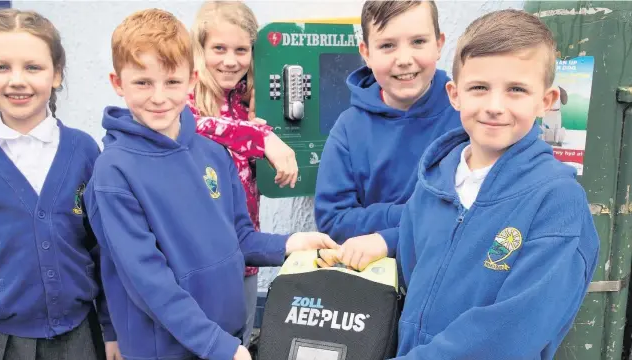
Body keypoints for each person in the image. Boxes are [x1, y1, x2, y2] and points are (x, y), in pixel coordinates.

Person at [320, 9, 599, 359]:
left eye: (516, 90)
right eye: (479, 88)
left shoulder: (557, 202)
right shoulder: (434, 182)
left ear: (546, 101)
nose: (495, 107)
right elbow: (411, 277)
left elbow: (511, 332)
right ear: (455, 95)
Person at [84, 9, 337, 360]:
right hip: (165, 347)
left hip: (225, 335)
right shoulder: (113, 172)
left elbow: (241, 238)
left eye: (171, 82)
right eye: (143, 82)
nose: (158, 97)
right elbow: (148, 282)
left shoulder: (214, 153)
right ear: (117, 83)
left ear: (191, 79)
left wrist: (293, 243)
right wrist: (217, 345)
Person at [0, 9, 118, 360]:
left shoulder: (84, 152)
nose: (17, 80)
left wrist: (113, 328)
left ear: (57, 74)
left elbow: (104, 250)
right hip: (0, 343)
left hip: (80, 337)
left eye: (33, 67)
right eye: (1, 67)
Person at [314, 0, 461, 270]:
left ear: (439, 44)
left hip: (450, 280)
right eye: (387, 45)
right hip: (373, 289)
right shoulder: (348, 129)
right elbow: (333, 221)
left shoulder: (466, 115)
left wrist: (387, 237)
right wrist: (416, 215)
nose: (404, 59)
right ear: (366, 53)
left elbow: (474, 214)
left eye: (418, 41)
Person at [188, 0, 298, 346]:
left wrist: (260, 140)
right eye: (218, 48)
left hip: (245, 255)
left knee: (240, 342)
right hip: (198, 260)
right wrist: (259, 137)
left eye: (241, 49)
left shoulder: (249, 101)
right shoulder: (185, 96)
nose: (230, 60)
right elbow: (195, 126)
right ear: (200, 49)